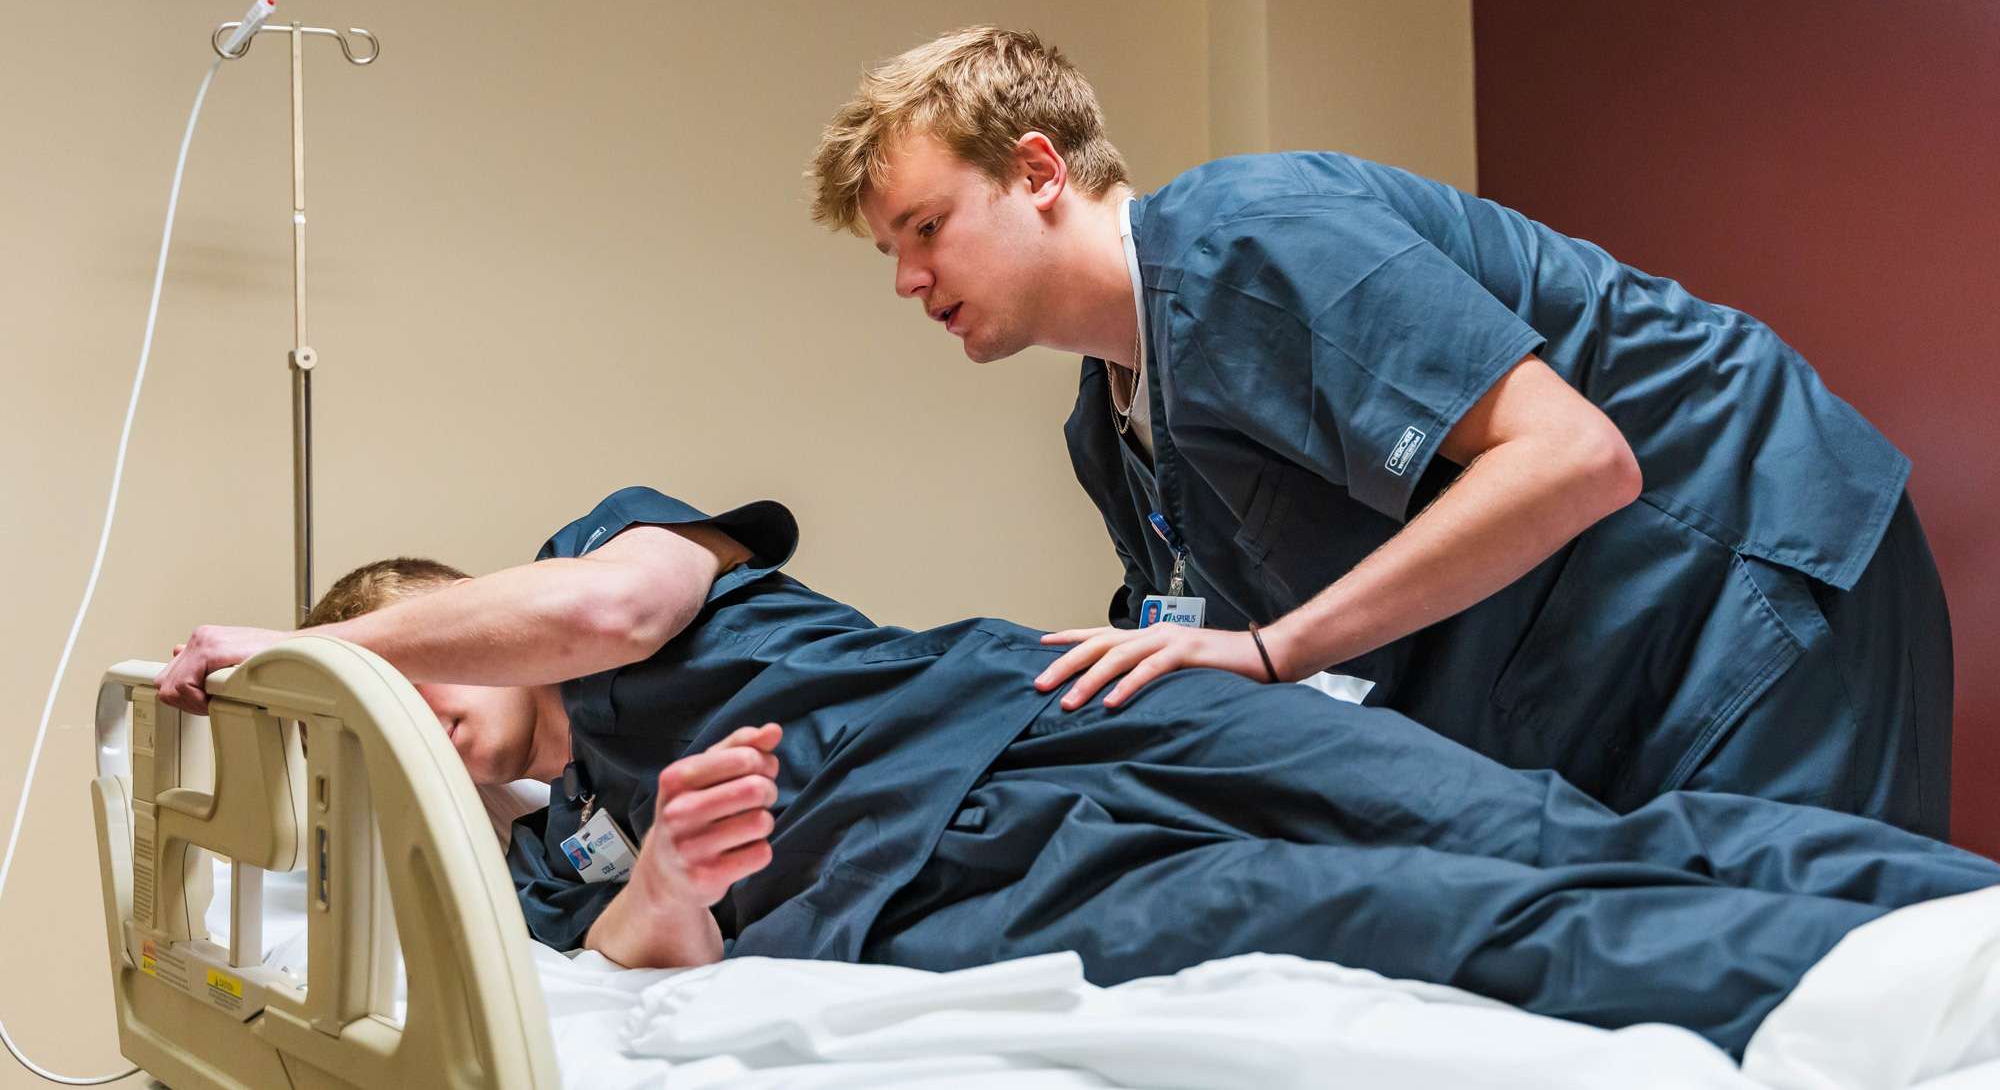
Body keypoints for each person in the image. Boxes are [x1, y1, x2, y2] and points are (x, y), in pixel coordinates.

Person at [158, 486, 1997, 1059]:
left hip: (1079, 709)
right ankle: (1882, 1009)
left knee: (1528, 818)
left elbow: (609, 600)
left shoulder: (615, 566)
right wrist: (658, 896)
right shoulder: (529, 892)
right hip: (987, 895)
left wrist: (324, 651)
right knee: (1412, 913)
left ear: (446, 629)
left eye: (415, 674)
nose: (413, 722)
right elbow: (637, 986)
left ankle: (1962, 917)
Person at [806, 27, 1953, 835]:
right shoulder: (1110, 423)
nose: (908, 279)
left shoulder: (1248, 240)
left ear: (1038, 171)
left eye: (925, 227)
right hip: (1587, 666)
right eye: (886, 255)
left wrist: (1273, 650)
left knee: (1819, 981)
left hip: (1743, 569)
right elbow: (1223, 648)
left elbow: (1572, 458)